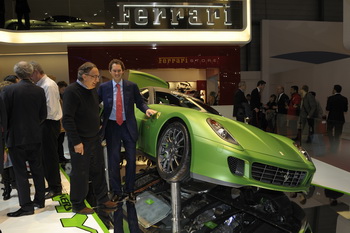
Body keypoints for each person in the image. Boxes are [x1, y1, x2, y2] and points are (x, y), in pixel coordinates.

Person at [98, 59, 157, 203]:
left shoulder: (132, 86)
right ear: (110, 72)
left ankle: (130, 190)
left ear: (123, 71)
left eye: (119, 71)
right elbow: (94, 104)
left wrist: (147, 109)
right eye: (114, 71)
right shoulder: (103, 87)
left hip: (128, 126)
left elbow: (140, 102)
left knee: (131, 160)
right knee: (114, 160)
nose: (117, 73)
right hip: (112, 127)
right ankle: (117, 191)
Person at [62, 62, 116, 214]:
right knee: (81, 173)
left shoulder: (92, 90)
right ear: (84, 76)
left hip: (94, 138)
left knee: (98, 169)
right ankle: (78, 204)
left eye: (98, 76)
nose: (97, 80)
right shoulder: (72, 91)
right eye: (94, 76)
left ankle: (103, 198)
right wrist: (76, 142)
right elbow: (67, 119)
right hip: (81, 141)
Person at [2, 61, 47, 217]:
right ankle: (40, 200)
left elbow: (4, 117)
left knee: (20, 173)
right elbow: (43, 115)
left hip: (15, 138)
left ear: (17, 74)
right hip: (35, 136)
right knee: (37, 170)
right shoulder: (39, 90)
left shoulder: (8, 90)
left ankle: (27, 206)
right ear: (30, 72)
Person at [30, 61, 63, 199]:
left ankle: (56, 187)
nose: (30, 78)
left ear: (36, 72)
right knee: (45, 157)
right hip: (45, 123)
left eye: (31, 75)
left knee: (50, 157)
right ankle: (52, 184)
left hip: (49, 123)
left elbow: (50, 109)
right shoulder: (41, 84)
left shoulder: (48, 85)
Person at [326, 85, 348, 153]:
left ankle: (332, 145)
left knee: (329, 132)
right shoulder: (344, 99)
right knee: (337, 134)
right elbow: (345, 109)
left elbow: (327, 108)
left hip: (331, 118)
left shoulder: (330, 98)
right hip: (340, 118)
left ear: (335, 90)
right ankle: (335, 147)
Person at [57, 81, 69, 163]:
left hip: (62, 124)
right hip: (59, 124)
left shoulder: (63, 97)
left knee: (60, 142)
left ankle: (61, 157)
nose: (64, 91)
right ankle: (59, 157)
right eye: (63, 89)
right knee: (58, 142)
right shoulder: (57, 98)